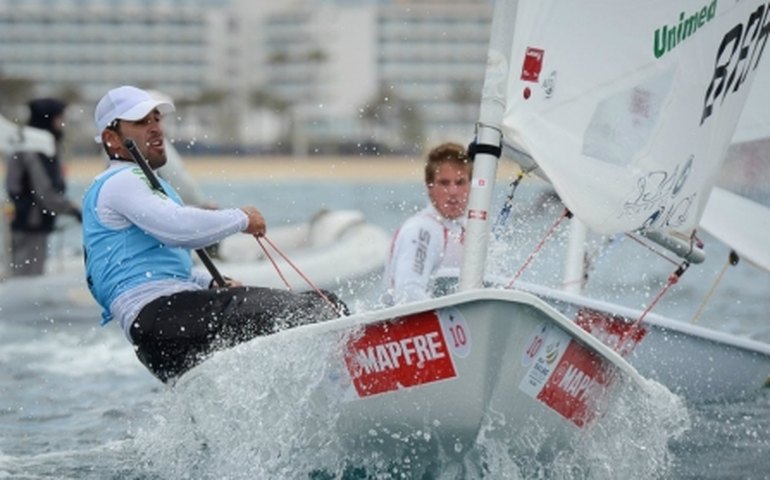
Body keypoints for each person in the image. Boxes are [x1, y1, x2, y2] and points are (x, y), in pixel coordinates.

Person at [82, 85, 346, 383]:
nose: (156, 129)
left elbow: (155, 269)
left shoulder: (138, 185)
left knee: (295, 325)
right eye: (142, 122)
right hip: (164, 317)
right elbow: (178, 229)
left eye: (157, 119)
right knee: (321, 306)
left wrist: (207, 282)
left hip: (158, 334)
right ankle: (353, 379)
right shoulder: (121, 182)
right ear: (112, 139)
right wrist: (241, 218)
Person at [382, 142, 473, 304]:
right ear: (429, 186)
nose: (453, 192)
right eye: (444, 183)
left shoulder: (472, 230)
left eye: (460, 183)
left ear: (470, 185)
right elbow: (407, 292)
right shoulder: (421, 229)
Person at [4, 98, 82, 277]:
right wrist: (72, 209)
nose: (62, 124)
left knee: (21, 272)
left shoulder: (24, 141)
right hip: (32, 220)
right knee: (27, 278)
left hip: (25, 218)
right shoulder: (37, 146)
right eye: (59, 118)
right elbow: (44, 190)